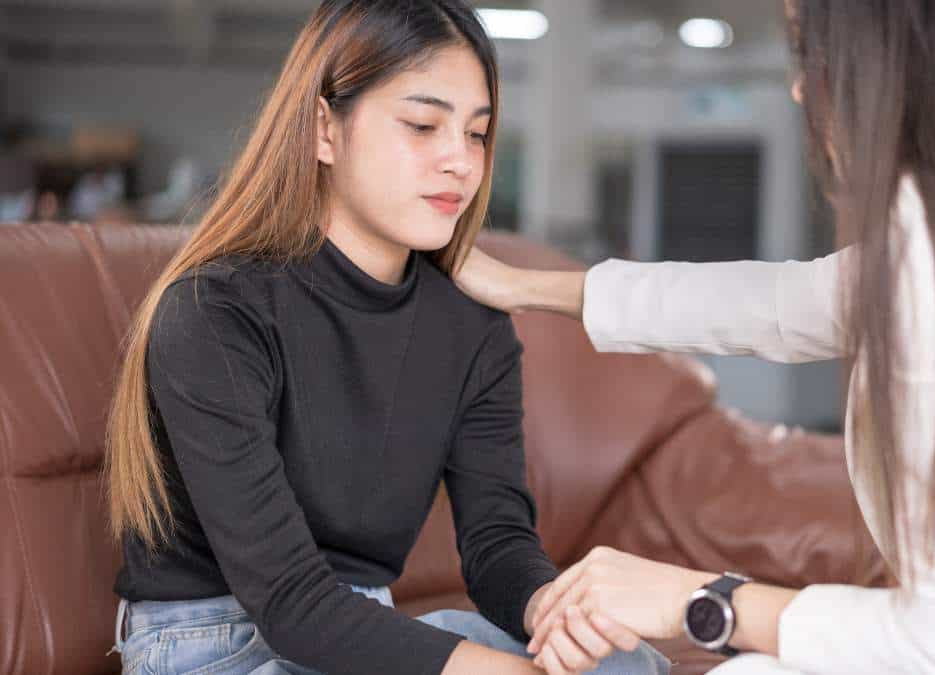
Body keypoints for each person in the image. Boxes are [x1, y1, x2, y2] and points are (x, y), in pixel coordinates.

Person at [454, 1, 935, 673]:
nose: (801, 90)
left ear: (898, 64)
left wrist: (696, 598)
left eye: (811, 52)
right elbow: (777, 303)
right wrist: (519, 285)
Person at [103, 2, 668, 674]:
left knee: (627, 664)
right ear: (323, 130)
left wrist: (556, 611)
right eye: (423, 124)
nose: (460, 161)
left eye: (478, 134)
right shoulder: (215, 310)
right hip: (212, 645)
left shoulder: (473, 326)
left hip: (364, 630)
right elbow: (290, 602)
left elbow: (497, 543)